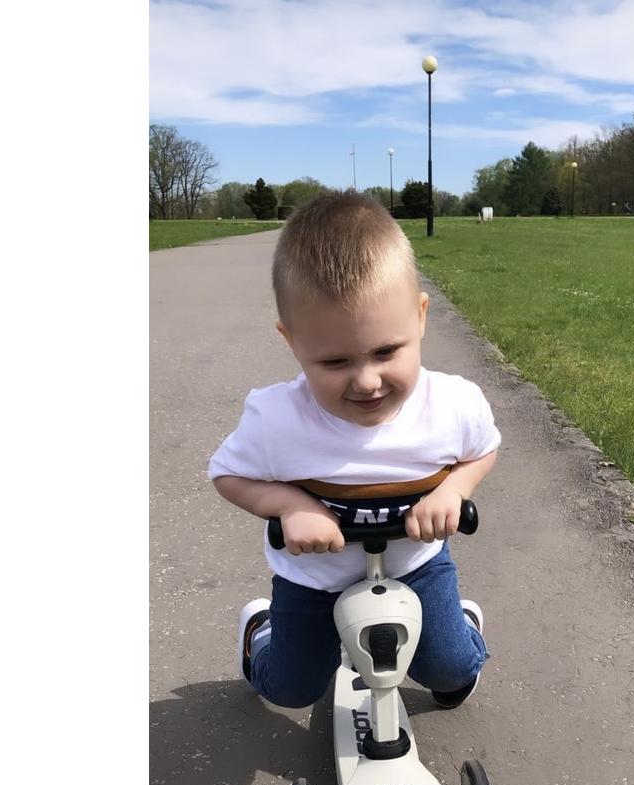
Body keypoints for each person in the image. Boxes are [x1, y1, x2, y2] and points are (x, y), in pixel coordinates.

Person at [209, 191, 500, 710]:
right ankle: (260, 631)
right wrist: (290, 505)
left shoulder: (452, 405)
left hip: (416, 565)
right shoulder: (277, 420)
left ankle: (461, 626)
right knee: (291, 689)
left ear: (420, 317)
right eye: (335, 361)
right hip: (314, 577)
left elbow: (483, 449)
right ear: (292, 342)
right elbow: (228, 474)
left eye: (386, 351)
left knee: (451, 672)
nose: (367, 381)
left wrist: (454, 490)